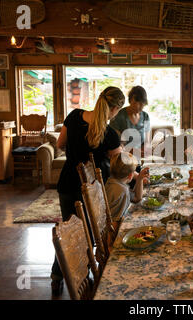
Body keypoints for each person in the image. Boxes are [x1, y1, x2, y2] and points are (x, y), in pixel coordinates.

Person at [50, 86, 125, 296]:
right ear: (116, 108)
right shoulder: (109, 134)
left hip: (67, 182)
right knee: (89, 237)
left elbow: (61, 143)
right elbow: (121, 165)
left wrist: (77, 154)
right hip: (91, 189)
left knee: (68, 235)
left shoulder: (74, 116)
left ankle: (57, 278)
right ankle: (82, 277)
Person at [105, 152, 149, 231]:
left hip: (113, 225)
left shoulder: (112, 181)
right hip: (114, 229)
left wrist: (140, 178)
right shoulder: (122, 190)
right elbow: (136, 199)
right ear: (130, 175)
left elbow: (137, 198)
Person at [109, 85, 151, 158]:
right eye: (138, 103)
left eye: (142, 104)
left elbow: (147, 141)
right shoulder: (119, 115)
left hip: (140, 157)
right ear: (131, 100)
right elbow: (113, 143)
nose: (140, 107)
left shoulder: (145, 116)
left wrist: (145, 149)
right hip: (123, 157)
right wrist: (129, 150)